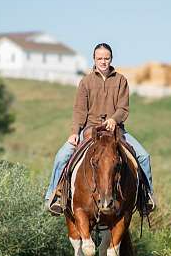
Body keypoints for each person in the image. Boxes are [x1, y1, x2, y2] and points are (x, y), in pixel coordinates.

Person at [44, 42, 155, 215]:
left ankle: (145, 197)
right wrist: (74, 132)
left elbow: (123, 108)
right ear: (94, 60)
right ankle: (54, 197)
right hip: (90, 130)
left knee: (144, 156)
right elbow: (79, 110)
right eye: (99, 58)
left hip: (116, 131)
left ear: (111, 59)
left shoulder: (121, 81)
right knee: (61, 156)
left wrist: (114, 119)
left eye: (106, 58)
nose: (103, 61)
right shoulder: (86, 82)